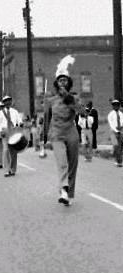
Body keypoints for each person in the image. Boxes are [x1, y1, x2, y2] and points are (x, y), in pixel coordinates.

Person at [44, 73, 84, 206]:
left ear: (68, 83)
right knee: (62, 163)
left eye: (65, 80)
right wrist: (45, 137)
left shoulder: (74, 97)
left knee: (73, 164)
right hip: (57, 133)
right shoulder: (51, 100)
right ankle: (64, 190)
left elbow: (81, 111)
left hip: (71, 131)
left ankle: (69, 194)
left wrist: (68, 97)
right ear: (56, 84)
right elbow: (47, 118)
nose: (62, 82)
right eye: (60, 80)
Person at [0, 95, 22, 177]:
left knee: (14, 151)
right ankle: (7, 169)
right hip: (5, 132)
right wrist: (0, 131)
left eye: (9, 100)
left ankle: (13, 170)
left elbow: (19, 122)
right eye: (6, 101)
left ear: (11, 102)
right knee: (6, 150)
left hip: (13, 131)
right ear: (4, 103)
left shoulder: (15, 112)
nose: (8, 102)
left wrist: (20, 126)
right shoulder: (0, 113)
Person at [107, 99, 123, 167]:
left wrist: (121, 128)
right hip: (113, 132)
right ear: (112, 106)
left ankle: (119, 161)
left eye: (117, 105)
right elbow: (111, 124)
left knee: (120, 147)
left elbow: (122, 121)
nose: (116, 106)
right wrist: (117, 130)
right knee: (116, 146)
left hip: (121, 131)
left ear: (119, 106)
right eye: (114, 105)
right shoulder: (110, 114)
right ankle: (118, 161)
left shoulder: (121, 114)